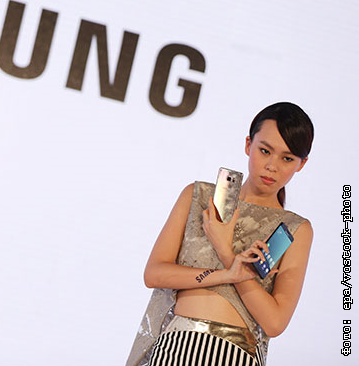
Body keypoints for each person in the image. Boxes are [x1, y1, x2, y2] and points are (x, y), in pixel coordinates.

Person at [125, 102, 314, 366]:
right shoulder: (198, 196)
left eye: (287, 158)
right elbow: (154, 274)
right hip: (174, 346)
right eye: (265, 150)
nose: (272, 166)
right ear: (248, 144)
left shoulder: (295, 228)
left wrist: (226, 252)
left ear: (301, 164)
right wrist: (228, 274)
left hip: (234, 355)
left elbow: (274, 322)